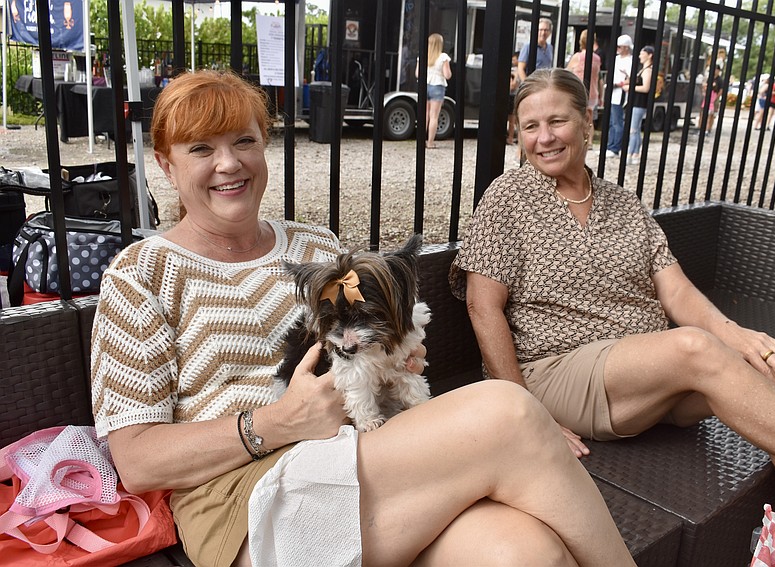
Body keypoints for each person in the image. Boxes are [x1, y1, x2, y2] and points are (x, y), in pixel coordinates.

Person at [89, 69, 636, 567]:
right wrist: (276, 423)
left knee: (524, 553)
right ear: (165, 164)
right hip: (242, 499)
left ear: (265, 147)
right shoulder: (139, 274)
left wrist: (396, 353)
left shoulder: (315, 245)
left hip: (364, 457)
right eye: (201, 148)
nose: (228, 163)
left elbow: (377, 335)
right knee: (509, 414)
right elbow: (136, 461)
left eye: (245, 141)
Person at [449, 66, 775, 547]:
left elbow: (677, 292)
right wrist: (525, 413)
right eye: (530, 126)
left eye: (557, 121)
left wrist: (740, 337)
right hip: (557, 373)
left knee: (773, 376)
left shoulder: (623, 203)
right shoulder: (509, 196)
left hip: (647, 375)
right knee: (694, 348)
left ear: (587, 122)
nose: (544, 138)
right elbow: (482, 306)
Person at [415, 33, 452, 149]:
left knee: (424, 114)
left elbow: (417, 73)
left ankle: (420, 141)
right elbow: (447, 75)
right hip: (437, 86)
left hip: (424, 86)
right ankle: (430, 142)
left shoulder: (423, 55)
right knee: (434, 116)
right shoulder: (443, 57)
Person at [623, 45, 654, 165]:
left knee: (633, 129)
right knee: (636, 128)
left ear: (649, 55)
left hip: (639, 103)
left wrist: (630, 87)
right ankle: (635, 153)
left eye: (642, 53)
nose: (640, 56)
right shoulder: (643, 69)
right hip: (637, 103)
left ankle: (630, 154)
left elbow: (646, 88)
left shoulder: (648, 71)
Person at [565, 30, 602, 126]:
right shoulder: (597, 58)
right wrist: (601, 96)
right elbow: (599, 78)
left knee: (577, 118)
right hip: (593, 93)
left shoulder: (578, 57)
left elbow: (566, 73)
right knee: (590, 120)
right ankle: (589, 140)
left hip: (579, 92)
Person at [606, 34, 633, 158]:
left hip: (620, 93)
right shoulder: (616, 59)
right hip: (612, 92)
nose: (618, 49)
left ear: (626, 47)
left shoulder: (630, 61)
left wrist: (619, 84)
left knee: (617, 122)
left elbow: (631, 78)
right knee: (612, 121)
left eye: (620, 47)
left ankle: (615, 148)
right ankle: (610, 145)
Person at [517, 18, 554, 82]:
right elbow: (520, 69)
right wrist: (526, 85)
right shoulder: (528, 47)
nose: (543, 33)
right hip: (532, 84)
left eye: (546, 30)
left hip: (545, 84)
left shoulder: (550, 48)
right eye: (540, 30)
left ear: (550, 32)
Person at [507, 51, 520, 145]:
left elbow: (513, 86)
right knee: (513, 120)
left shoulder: (518, 71)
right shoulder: (515, 70)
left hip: (513, 96)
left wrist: (515, 76)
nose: (512, 61)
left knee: (512, 119)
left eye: (514, 59)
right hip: (512, 96)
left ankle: (510, 138)